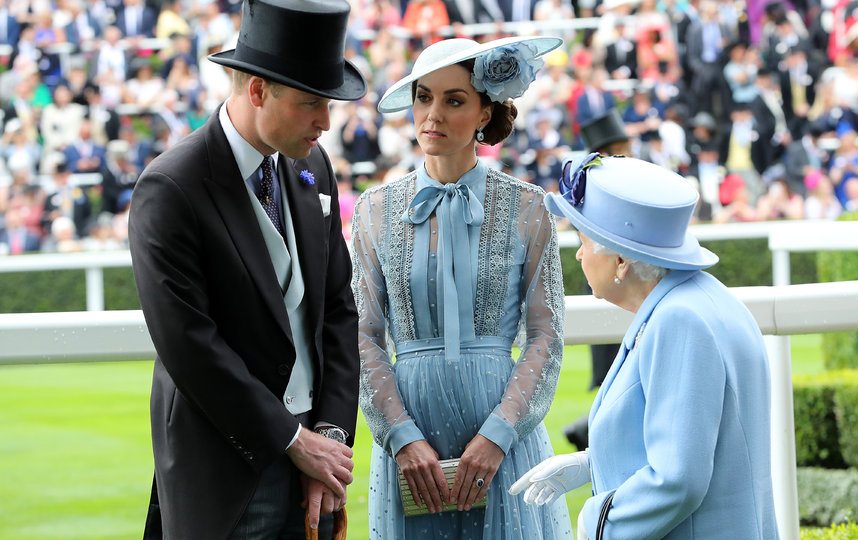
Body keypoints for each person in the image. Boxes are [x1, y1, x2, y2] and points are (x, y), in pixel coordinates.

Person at [127, 1, 366, 538]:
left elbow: (336, 308)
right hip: (225, 476)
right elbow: (188, 343)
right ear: (257, 90)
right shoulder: (172, 187)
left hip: (315, 469)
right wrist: (292, 440)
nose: (326, 123)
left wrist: (326, 438)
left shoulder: (313, 166)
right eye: (310, 104)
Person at [353, 36, 573, 539]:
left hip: (503, 433)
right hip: (409, 439)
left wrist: (499, 436)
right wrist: (401, 437)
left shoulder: (529, 207)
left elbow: (546, 335)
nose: (433, 113)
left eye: (453, 100)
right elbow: (361, 336)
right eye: (423, 97)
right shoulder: (374, 210)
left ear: (483, 113)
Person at [510, 154, 779, 539]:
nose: (580, 254)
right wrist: (593, 463)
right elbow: (690, 440)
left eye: (583, 240)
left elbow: (678, 479)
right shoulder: (702, 299)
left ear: (620, 261)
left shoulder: (679, 320)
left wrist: (596, 523)